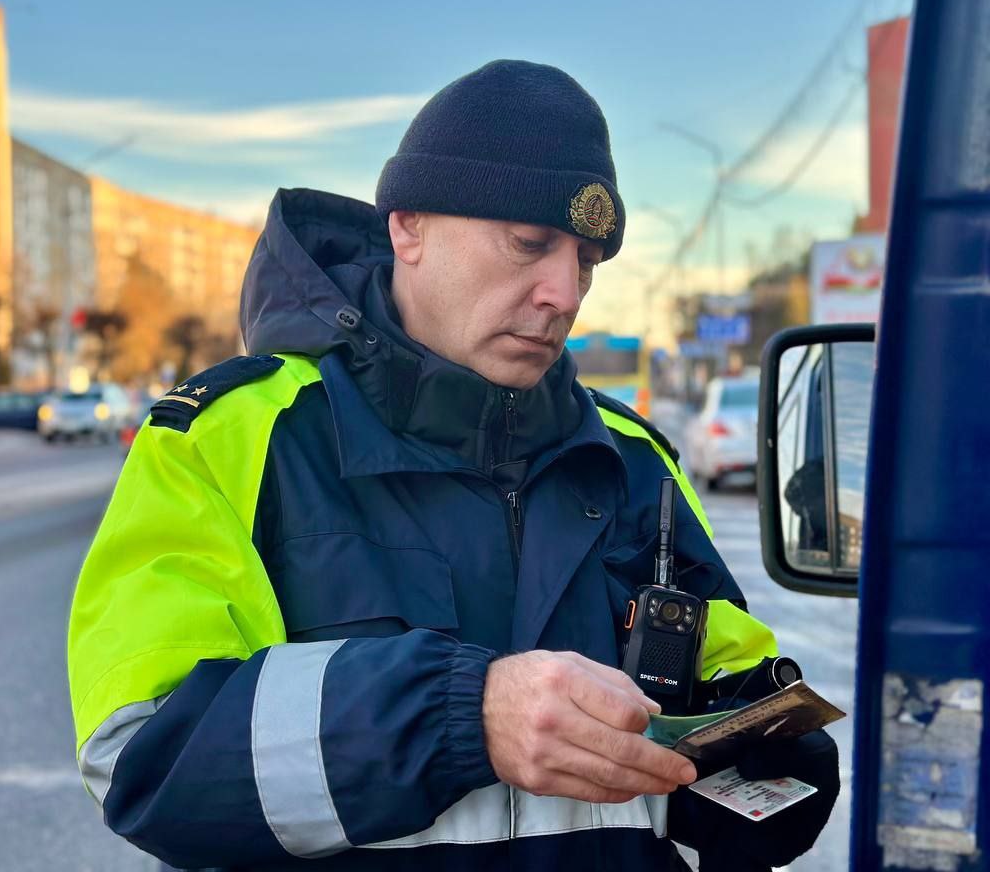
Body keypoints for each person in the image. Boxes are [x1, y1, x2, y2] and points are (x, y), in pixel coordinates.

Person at [67, 60, 838, 871]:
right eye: (530, 244)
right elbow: (140, 751)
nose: (563, 292)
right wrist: (462, 716)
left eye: (586, 260)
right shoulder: (230, 438)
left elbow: (738, 733)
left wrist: (772, 763)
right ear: (408, 228)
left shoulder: (633, 460)